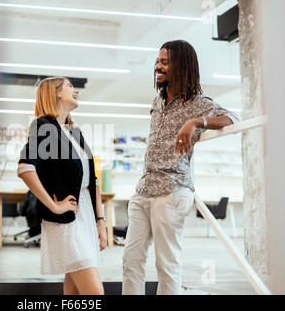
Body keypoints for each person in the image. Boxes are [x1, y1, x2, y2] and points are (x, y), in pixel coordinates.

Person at [122, 40, 240, 295]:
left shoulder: (197, 102)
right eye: (158, 60)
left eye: (165, 61)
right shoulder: (157, 101)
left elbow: (234, 118)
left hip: (171, 191)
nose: (158, 65)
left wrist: (196, 122)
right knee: (130, 261)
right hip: (143, 190)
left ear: (181, 66)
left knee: (166, 265)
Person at [17, 77, 107, 295]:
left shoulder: (74, 132)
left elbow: (92, 179)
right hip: (67, 219)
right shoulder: (43, 126)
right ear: (55, 93)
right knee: (95, 293)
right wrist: (54, 206)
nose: (75, 90)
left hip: (85, 213)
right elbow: (24, 168)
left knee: (74, 291)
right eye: (69, 86)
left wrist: (101, 220)